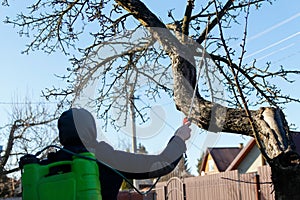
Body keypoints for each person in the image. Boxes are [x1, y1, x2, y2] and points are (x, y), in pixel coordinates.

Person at [47, 108, 191, 200]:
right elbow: (161, 164)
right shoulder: (105, 157)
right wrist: (179, 138)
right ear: (91, 130)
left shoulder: (47, 165)